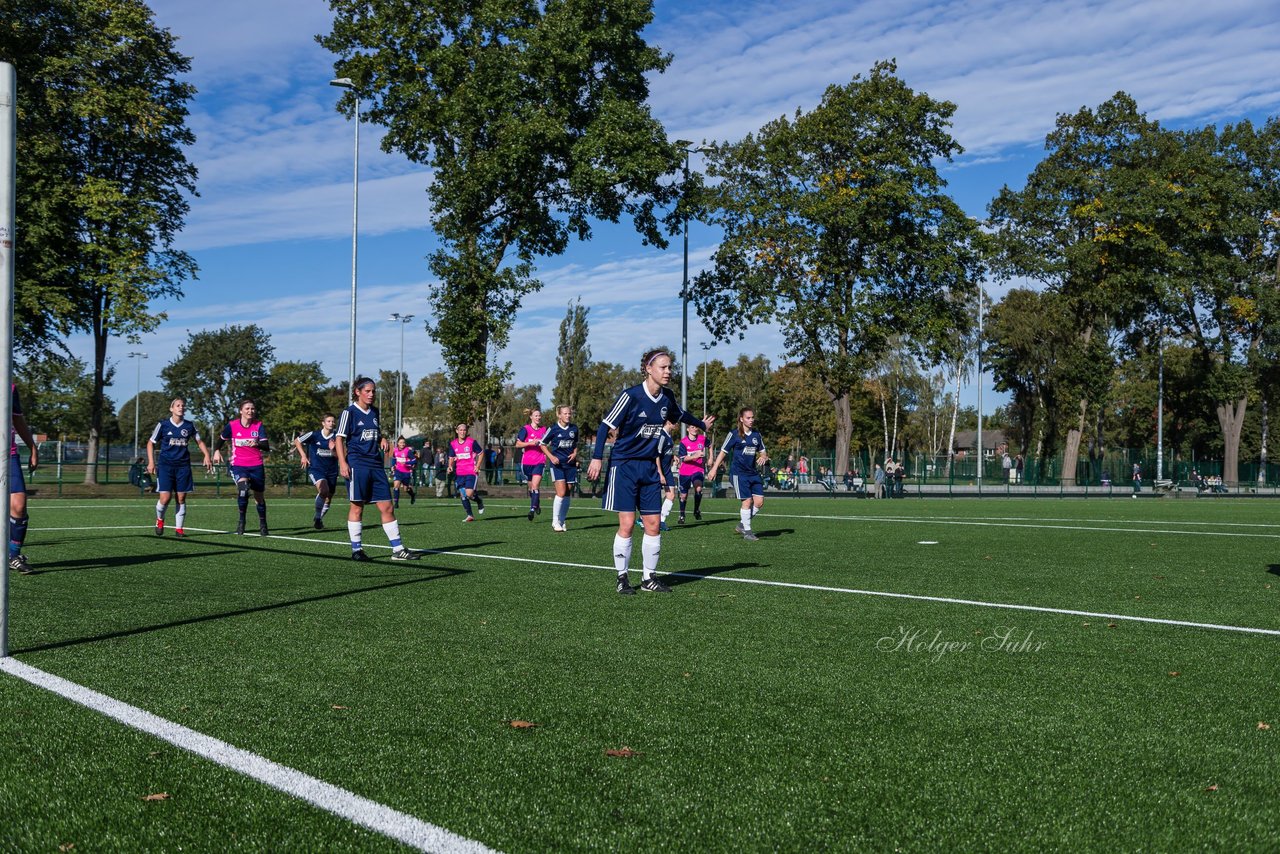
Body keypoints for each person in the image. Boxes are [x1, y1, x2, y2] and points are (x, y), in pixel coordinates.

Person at [586, 348, 714, 595]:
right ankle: (622, 578)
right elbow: (604, 427)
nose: (668, 372)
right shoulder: (631, 396)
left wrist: (701, 424)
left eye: (670, 367)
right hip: (624, 465)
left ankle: (648, 578)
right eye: (663, 367)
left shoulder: (667, 397)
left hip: (649, 467)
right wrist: (596, 458)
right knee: (628, 523)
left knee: (653, 524)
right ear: (648, 368)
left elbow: (680, 414)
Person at [335, 377, 419, 562]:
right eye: (368, 391)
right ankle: (357, 550)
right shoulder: (348, 412)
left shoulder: (374, 412)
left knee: (387, 506)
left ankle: (397, 549)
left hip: (376, 464)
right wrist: (343, 463)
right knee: (357, 506)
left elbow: (375, 430)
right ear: (358, 392)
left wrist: (381, 438)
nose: (372, 394)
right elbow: (339, 438)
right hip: (357, 464)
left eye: (373, 391)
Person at [147, 397, 213, 538]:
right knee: (165, 498)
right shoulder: (163, 425)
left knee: (181, 497)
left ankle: (179, 529)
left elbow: (199, 441)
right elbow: (150, 443)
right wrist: (151, 462)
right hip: (166, 466)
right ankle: (160, 520)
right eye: (178, 405)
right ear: (171, 409)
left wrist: (207, 455)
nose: (181, 407)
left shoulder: (189, 425)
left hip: (183, 466)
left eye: (183, 405)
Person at [212, 399, 271, 536]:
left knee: (259, 497)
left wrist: (256, 443)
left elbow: (266, 447)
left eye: (252, 409)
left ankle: (263, 523)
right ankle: (241, 521)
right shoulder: (232, 426)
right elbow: (221, 439)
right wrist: (216, 451)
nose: (250, 411)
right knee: (243, 490)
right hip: (239, 464)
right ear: (241, 411)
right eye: (247, 409)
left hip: (256, 465)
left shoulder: (258, 426)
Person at [707, 408, 767, 541]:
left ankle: (741, 525)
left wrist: (763, 456)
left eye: (752, 418)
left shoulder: (756, 434)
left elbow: (763, 451)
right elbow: (723, 452)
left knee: (759, 502)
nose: (751, 420)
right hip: (739, 473)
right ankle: (748, 532)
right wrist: (714, 469)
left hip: (753, 473)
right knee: (747, 501)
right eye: (748, 418)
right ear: (741, 419)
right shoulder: (734, 434)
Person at [7, 384, 39, 574]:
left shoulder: (10, 387)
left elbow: (17, 420)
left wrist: (32, 447)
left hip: (7, 454)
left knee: (19, 505)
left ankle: (13, 555)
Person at [294, 415, 339, 529]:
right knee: (324, 490)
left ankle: (318, 518)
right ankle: (318, 518)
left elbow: (340, 456)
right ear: (323, 423)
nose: (331, 423)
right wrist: (303, 455)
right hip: (316, 469)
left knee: (328, 497)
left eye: (333, 421)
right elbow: (297, 441)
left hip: (332, 471)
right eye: (328, 421)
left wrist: (333, 449)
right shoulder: (314, 435)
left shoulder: (337, 437)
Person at [539, 404, 580, 533]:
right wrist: (551, 457)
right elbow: (542, 444)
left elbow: (576, 444)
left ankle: (562, 521)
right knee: (561, 492)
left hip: (570, 465)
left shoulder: (574, 428)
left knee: (568, 493)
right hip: (557, 465)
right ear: (559, 415)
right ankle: (555, 521)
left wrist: (575, 453)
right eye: (565, 413)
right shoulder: (554, 429)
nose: (568, 416)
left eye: (569, 413)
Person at [447, 422, 486, 521]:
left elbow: (481, 454)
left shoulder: (472, 442)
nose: (462, 432)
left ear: (466, 431)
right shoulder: (453, 444)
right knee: (463, 495)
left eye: (464, 430)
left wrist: (477, 466)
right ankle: (470, 515)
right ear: (457, 431)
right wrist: (450, 466)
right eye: (460, 430)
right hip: (459, 473)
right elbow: (451, 457)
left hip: (471, 472)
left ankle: (479, 501)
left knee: (468, 494)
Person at [515, 408, 548, 521]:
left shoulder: (544, 429)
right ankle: (537, 504)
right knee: (531, 488)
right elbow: (518, 444)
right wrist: (530, 443)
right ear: (531, 417)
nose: (538, 417)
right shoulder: (525, 429)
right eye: (536, 416)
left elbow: (550, 441)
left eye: (539, 415)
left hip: (540, 462)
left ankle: (532, 509)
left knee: (535, 486)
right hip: (527, 463)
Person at [677, 424, 708, 523]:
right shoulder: (683, 442)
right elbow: (684, 458)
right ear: (687, 429)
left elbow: (710, 445)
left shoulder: (702, 439)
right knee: (683, 495)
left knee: (698, 489)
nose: (695, 429)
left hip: (698, 469)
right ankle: (682, 515)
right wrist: (696, 455)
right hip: (685, 471)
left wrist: (711, 458)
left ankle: (696, 510)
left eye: (696, 427)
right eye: (692, 427)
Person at [656, 418, 679, 532]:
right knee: (654, 497)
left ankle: (661, 521)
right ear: (669, 422)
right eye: (675, 422)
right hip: (659, 471)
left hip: (667, 470)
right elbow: (656, 455)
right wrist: (660, 473)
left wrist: (673, 456)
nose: (677, 424)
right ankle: (643, 518)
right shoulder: (661, 435)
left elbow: (666, 451)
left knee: (671, 495)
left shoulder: (668, 435)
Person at [389, 436, 418, 508]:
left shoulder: (407, 451)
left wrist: (407, 463)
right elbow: (394, 459)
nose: (402, 444)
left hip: (406, 472)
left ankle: (412, 495)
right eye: (401, 442)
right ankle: (396, 503)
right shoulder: (395, 450)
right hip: (398, 471)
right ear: (398, 443)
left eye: (404, 442)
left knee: (406, 489)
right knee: (396, 486)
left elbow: (414, 460)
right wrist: (393, 465)